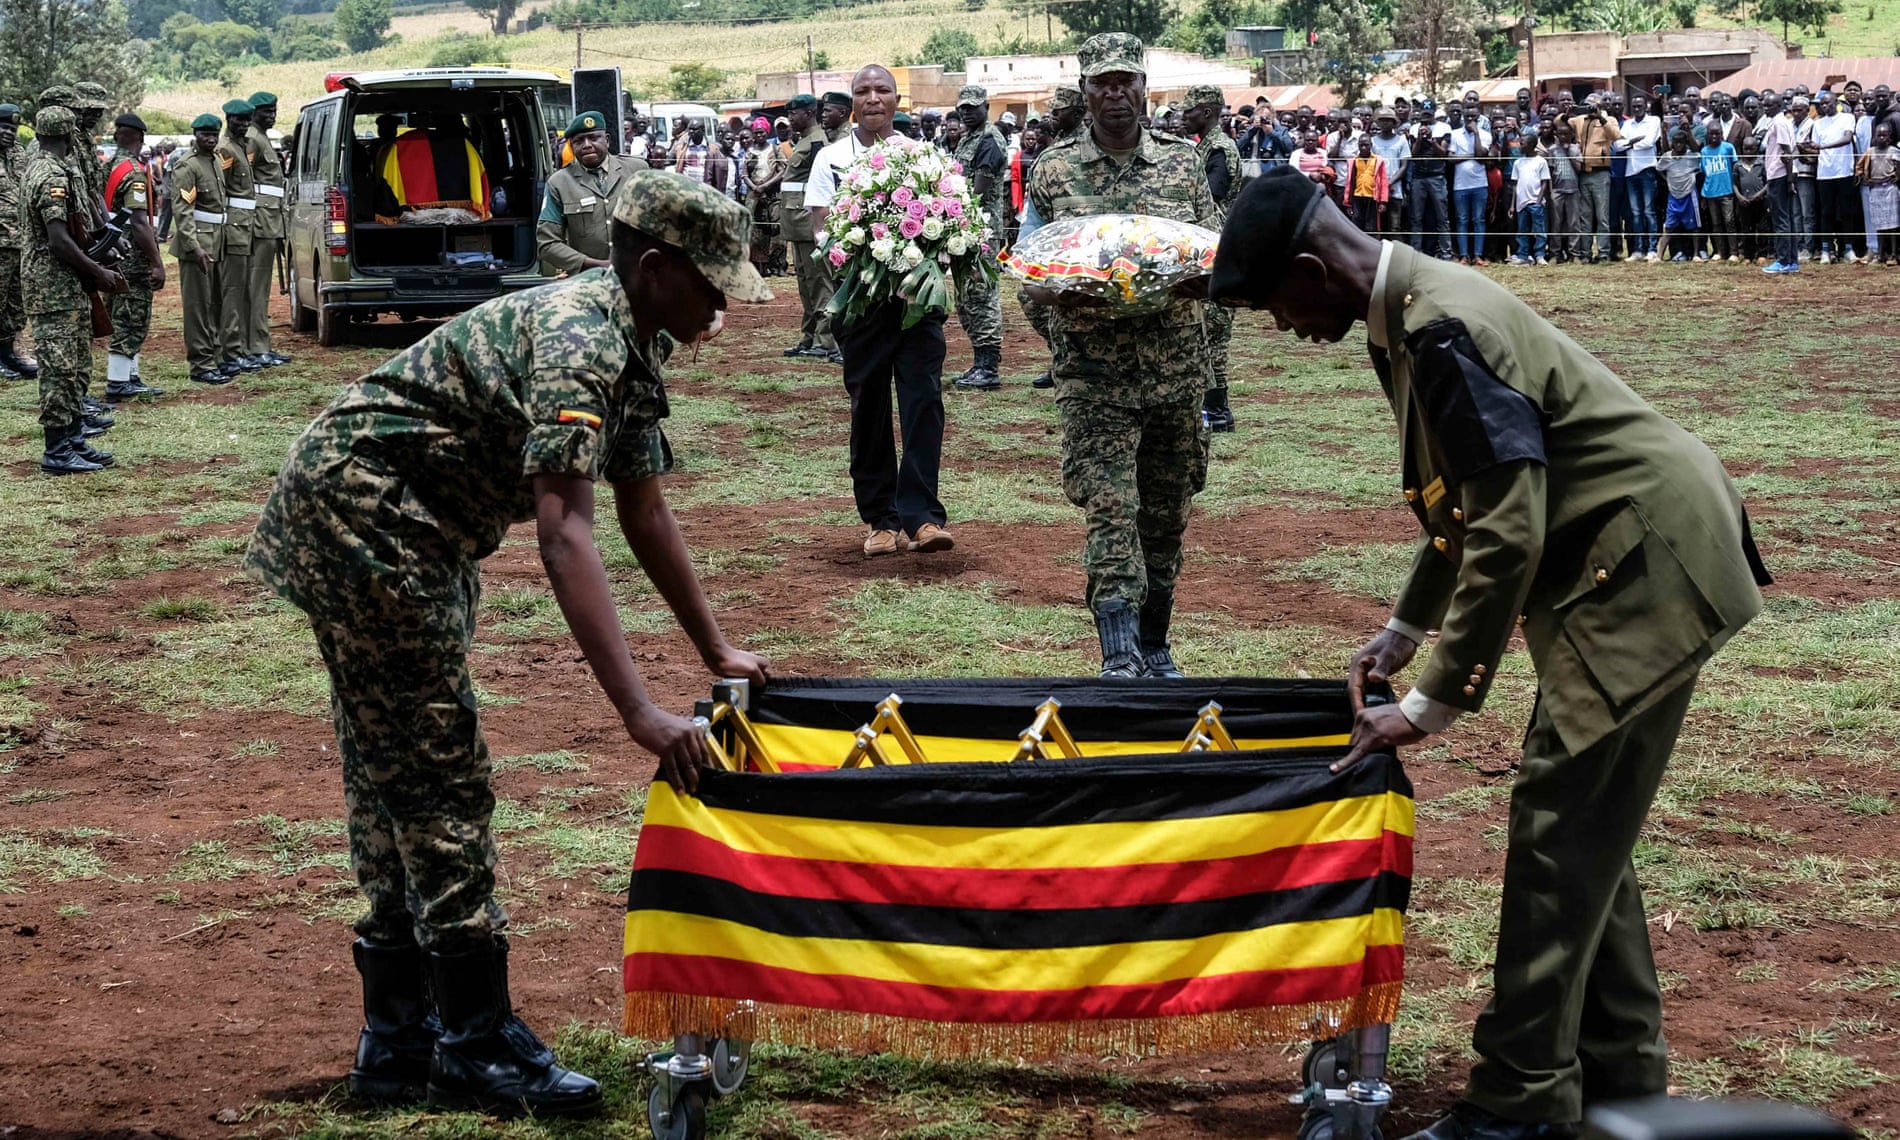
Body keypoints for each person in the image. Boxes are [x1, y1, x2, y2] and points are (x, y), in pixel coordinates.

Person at [1208, 163, 1771, 1140]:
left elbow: (1507, 530)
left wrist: (1430, 701)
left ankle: (1517, 1107)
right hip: (1630, 553)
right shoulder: (1413, 309)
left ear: (1311, 271)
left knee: (1556, 833)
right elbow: (1463, 500)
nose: (1282, 330)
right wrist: (1406, 625)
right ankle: (1621, 1084)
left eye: (1274, 308)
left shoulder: (1436, 329)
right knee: (1585, 837)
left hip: (1646, 566)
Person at [245, 170, 770, 1118]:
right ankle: (474, 1045)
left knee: (390, 769)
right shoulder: (579, 342)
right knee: (436, 774)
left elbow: (643, 509)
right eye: (713, 283)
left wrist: (716, 649)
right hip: (371, 521)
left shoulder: (628, 338)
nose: (725, 305)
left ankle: (399, 1041)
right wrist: (638, 711)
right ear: (655, 269)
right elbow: (565, 530)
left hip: (403, 523)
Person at [1027, 31, 1214, 679]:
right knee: (1111, 508)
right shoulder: (1052, 170)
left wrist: (1203, 289)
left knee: (1166, 514)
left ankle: (1156, 644)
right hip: (1094, 378)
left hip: (1176, 372)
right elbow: (1029, 271)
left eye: (1125, 80)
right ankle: (1119, 655)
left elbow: (1219, 257)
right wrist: (1059, 315)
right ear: (1085, 91)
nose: (1115, 93)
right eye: (1102, 82)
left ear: (1144, 86)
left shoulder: (1184, 165)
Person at [806, 65, 955, 559]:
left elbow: (947, 219)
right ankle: (880, 520)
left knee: (923, 405)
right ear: (853, 101)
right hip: (861, 306)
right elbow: (823, 232)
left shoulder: (924, 156)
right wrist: (869, 256)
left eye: (882, 90)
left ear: (897, 99)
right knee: (868, 408)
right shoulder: (830, 159)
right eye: (863, 91)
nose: (873, 98)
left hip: (916, 307)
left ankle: (924, 517)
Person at [23, 104, 124, 474]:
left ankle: (73, 439)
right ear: (69, 136)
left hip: (64, 286)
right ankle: (57, 450)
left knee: (77, 364)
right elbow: (59, 241)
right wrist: (98, 271)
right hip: (53, 288)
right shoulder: (51, 175)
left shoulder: (44, 167)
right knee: (59, 368)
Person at [1018, 86, 1087, 392]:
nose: (1052, 115)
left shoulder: (1086, 142)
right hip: (1054, 245)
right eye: (1052, 110)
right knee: (1031, 298)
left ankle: (1070, 363)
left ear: (1077, 111)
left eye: (1059, 110)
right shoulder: (1057, 147)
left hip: (1083, 246)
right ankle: (1060, 358)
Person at [1182, 83, 1242, 431]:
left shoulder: (1217, 149)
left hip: (1216, 250)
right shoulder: (1205, 147)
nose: (1182, 118)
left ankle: (1219, 412)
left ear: (1205, 113)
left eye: (1188, 112)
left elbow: (1212, 192)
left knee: (1215, 333)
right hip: (1209, 247)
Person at [949, 84, 1009, 391]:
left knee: (982, 295)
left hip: (981, 230)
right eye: (963, 108)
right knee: (967, 297)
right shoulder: (968, 138)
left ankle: (988, 366)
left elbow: (977, 190)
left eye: (973, 107)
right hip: (965, 228)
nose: (967, 112)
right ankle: (979, 362)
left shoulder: (989, 140)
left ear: (986, 107)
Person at [103, 113, 166, 401]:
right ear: (139, 138)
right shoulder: (133, 172)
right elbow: (140, 223)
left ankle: (130, 375)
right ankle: (118, 381)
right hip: (133, 258)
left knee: (122, 315)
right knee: (132, 318)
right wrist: (156, 262)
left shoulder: (108, 166)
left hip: (112, 253)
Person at [538, 112, 647, 276]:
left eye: (593, 138)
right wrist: (590, 265)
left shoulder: (637, 170)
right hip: (588, 281)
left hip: (638, 276)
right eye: (578, 141)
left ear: (607, 140)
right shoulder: (559, 183)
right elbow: (547, 243)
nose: (587, 145)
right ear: (571, 146)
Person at [778, 95, 839, 363]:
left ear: (810, 112)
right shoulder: (804, 140)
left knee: (819, 281)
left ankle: (825, 339)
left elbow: (819, 185)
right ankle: (810, 334)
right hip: (795, 221)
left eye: (795, 113)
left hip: (807, 220)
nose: (791, 118)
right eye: (789, 114)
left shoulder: (817, 142)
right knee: (805, 282)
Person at [172, 114, 232, 384]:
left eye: (214, 134)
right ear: (195, 135)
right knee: (198, 307)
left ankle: (216, 356)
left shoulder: (215, 161)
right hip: (197, 246)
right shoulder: (188, 166)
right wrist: (193, 246)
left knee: (216, 304)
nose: (210, 138)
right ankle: (201, 363)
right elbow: (183, 211)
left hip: (216, 242)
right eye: (205, 134)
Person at [241, 92, 290, 369]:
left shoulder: (261, 138)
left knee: (259, 289)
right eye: (265, 111)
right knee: (254, 289)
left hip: (269, 220)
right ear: (253, 113)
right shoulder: (252, 138)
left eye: (274, 110)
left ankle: (260, 345)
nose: (271, 115)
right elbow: (240, 179)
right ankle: (254, 348)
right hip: (258, 222)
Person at [215, 98, 259, 379]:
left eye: (246, 120)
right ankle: (229, 353)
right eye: (238, 120)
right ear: (228, 120)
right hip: (233, 227)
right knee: (231, 292)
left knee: (240, 291)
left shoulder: (242, 146)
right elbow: (220, 190)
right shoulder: (225, 149)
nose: (243, 124)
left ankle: (238, 348)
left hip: (246, 226)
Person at [0, 102, 38, 382]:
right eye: (2, 126)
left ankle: (9, 354)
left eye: (12, 128)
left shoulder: (19, 155)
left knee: (15, 303)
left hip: (20, 242)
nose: (7, 133)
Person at [1808, 92, 1861, 263]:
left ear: (1836, 103)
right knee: (1826, 212)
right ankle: (1826, 249)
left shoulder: (1847, 118)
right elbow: (1815, 148)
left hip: (1844, 171)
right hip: (1825, 173)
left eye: (1827, 103)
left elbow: (1846, 139)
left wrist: (1823, 146)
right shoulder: (1818, 124)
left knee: (1846, 211)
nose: (1824, 106)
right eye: (1822, 104)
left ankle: (1848, 249)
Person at [1616, 95, 1662, 261]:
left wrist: (1629, 143)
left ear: (1646, 106)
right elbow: (1618, 145)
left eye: (1640, 106)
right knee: (1636, 213)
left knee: (1649, 211)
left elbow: (1649, 142)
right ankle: (1638, 250)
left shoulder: (1654, 121)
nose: (1637, 109)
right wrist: (1634, 141)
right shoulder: (1628, 124)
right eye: (1634, 106)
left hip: (1647, 170)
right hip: (1631, 172)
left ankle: (1652, 249)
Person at [1761, 92, 1801, 273]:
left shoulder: (1779, 123)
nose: (1765, 108)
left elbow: (1786, 153)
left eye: (1769, 105)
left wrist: (1789, 180)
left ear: (1778, 106)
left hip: (1780, 174)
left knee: (1781, 219)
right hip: (1781, 174)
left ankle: (1784, 260)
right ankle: (1791, 261)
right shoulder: (1780, 122)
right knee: (1788, 219)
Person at [743, 120, 786, 277]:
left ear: (767, 133)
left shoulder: (775, 149)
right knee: (756, 230)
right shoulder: (750, 152)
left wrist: (766, 185)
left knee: (776, 228)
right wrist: (755, 187)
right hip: (754, 195)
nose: (759, 135)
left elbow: (782, 170)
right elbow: (744, 174)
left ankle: (777, 265)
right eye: (756, 132)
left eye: (762, 132)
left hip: (773, 195)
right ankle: (759, 266)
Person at [1449, 107, 1492, 265]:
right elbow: (1451, 158)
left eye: (1473, 117)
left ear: (1478, 117)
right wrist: (1469, 156)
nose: (1470, 119)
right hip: (1460, 185)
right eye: (1467, 116)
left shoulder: (1485, 135)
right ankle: (1464, 256)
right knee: (1462, 220)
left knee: (1479, 220)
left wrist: (1476, 133)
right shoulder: (1455, 134)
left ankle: (1478, 255)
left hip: (1480, 184)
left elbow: (1481, 156)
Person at [1409, 104, 1452, 260]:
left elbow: (1443, 154)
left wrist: (1432, 140)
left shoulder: (1444, 128)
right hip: (1418, 177)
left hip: (1437, 176)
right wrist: (1421, 138)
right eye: (1423, 114)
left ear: (1434, 113)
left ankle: (1446, 253)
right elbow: (1413, 154)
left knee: (1442, 217)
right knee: (1416, 217)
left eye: (1428, 114)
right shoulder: (1414, 128)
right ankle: (1416, 253)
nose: (1426, 117)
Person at [1655, 128, 1700, 262]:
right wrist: (1667, 179)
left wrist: (1693, 177)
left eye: (1681, 143)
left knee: (1695, 227)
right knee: (1669, 226)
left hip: (1689, 194)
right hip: (1674, 195)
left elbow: (1699, 167)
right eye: (1676, 142)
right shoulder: (1666, 157)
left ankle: (1696, 254)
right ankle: (1659, 256)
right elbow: (1659, 169)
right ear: (1672, 143)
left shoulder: (1692, 156)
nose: (1679, 145)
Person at [1698, 124, 1739, 262]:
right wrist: (1703, 196)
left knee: (1729, 221)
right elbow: (1704, 173)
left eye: (1717, 134)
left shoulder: (1728, 148)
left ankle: (1733, 252)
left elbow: (1734, 167)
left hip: (1726, 191)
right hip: (1710, 193)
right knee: (1716, 223)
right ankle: (1720, 252)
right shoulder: (1704, 151)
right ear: (1707, 135)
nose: (1714, 137)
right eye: (1711, 134)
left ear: (1722, 134)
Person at [1861, 122, 1899, 264]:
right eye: (1879, 135)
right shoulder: (1871, 151)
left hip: (1889, 188)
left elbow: (1897, 169)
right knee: (1879, 224)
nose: (1881, 138)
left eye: (1884, 135)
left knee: (1893, 224)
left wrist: (1895, 179)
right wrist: (1867, 179)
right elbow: (1864, 167)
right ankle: (1880, 254)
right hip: (1875, 189)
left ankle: (1894, 254)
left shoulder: (1893, 151)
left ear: (1889, 138)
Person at [1510, 132, 1549, 265]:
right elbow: (1515, 185)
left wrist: (1538, 201)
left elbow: (1544, 183)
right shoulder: (1517, 163)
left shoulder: (1541, 162)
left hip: (1535, 202)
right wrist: (1512, 205)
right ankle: (1523, 255)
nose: (1519, 146)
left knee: (1539, 230)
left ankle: (1539, 255)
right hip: (1521, 203)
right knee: (1522, 230)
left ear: (1531, 145)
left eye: (1522, 144)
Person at [1545, 122, 1581, 263]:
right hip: (1557, 190)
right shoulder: (1552, 150)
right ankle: (1555, 253)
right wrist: (1550, 191)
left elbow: (1579, 168)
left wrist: (1568, 154)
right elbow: (1550, 171)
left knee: (1573, 224)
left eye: (1566, 134)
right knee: (1556, 223)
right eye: (1560, 134)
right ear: (1557, 135)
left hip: (1573, 189)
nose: (1563, 137)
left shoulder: (1575, 148)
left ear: (1571, 135)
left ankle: (1574, 253)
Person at [1733, 134, 1770, 263]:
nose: (1748, 152)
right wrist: (1739, 197)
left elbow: (1768, 182)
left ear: (1756, 148)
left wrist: (1760, 194)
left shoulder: (1761, 164)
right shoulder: (1738, 166)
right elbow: (1735, 184)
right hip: (1744, 203)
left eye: (1751, 149)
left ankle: (1762, 254)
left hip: (1760, 202)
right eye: (1745, 149)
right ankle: (1748, 255)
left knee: (1762, 228)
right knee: (1747, 229)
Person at [1348, 134, 1389, 233]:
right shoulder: (1354, 160)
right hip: (1357, 195)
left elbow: (1383, 181)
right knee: (1357, 224)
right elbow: (1350, 181)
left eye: (1366, 145)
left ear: (1371, 145)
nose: (1363, 148)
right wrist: (1348, 202)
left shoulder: (1378, 160)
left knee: (1371, 225)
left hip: (1372, 196)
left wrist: (1383, 201)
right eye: (1361, 145)